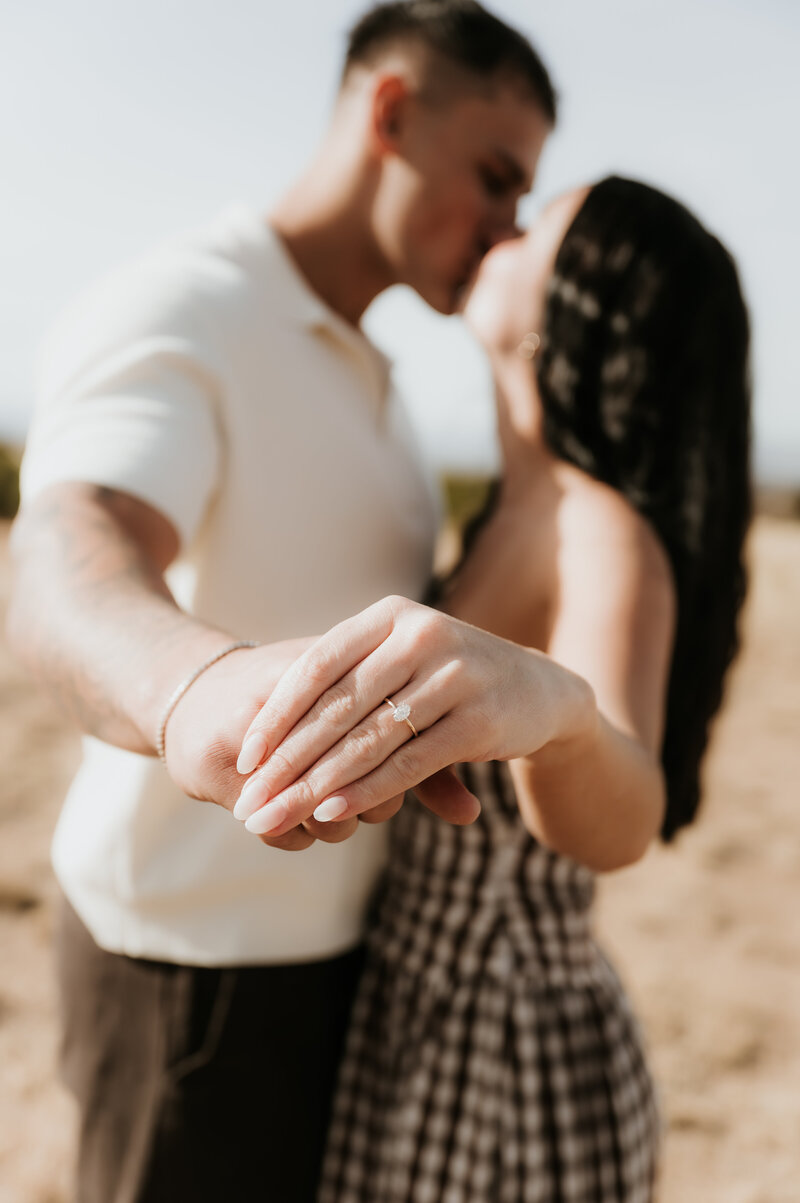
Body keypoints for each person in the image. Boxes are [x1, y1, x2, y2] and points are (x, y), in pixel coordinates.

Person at [8, 4, 558, 1200]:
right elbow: (67, 540)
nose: (508, 232)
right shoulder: (186, 304)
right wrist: (196, 686)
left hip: (340, 960)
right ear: (392, 113)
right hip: (192, 976)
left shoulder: (375, 371)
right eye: (495, 179)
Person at [254, 178, 750, 1201]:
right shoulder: (518, 507)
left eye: (533, 231)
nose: (497, 229)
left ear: (586, 310)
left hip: (504, 1049)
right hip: (428, 1010)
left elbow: (626, 818)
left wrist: (562, 720)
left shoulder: (594, 530)